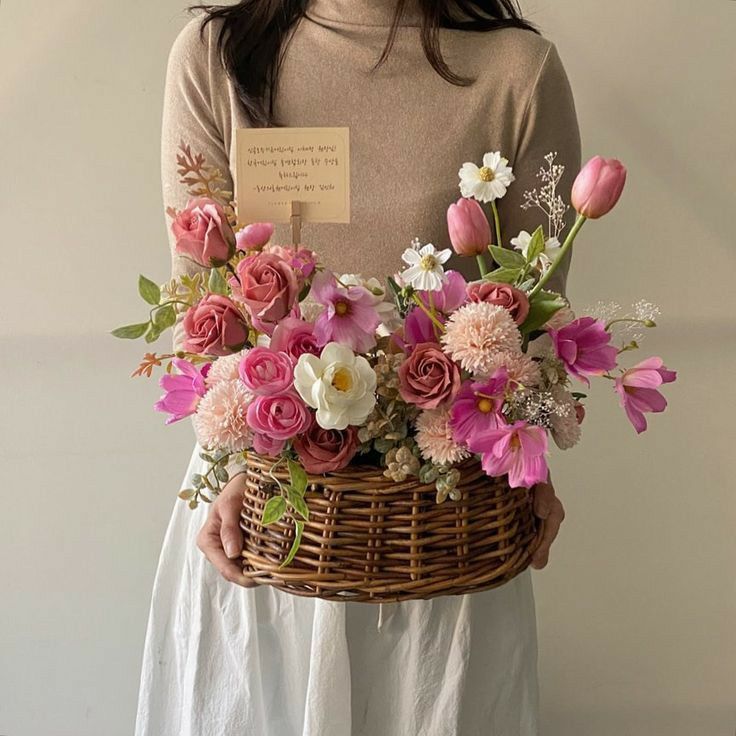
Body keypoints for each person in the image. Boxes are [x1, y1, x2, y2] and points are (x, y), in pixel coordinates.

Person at [135, 1, 577, 734]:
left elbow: (539, 315)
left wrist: (530, 453)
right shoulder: (217, 57)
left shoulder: (518, 75)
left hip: (439, 533)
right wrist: (234, 457)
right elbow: (202, 301)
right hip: (268, 514)